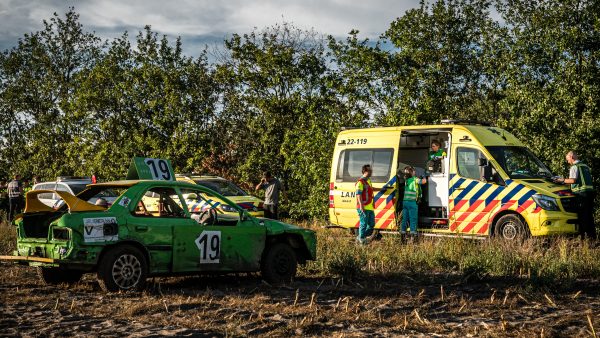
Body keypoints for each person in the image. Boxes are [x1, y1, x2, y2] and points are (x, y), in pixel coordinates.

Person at [554, 151, 596, 240]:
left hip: (581, 194)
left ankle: (584, 239)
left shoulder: (574, 167)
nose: (568, 161)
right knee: (589, 216)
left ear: (571, 157)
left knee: (582, 217)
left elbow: (573, 180)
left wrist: (561, 180)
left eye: (568, 159)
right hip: (590, 193)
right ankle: (593, 238)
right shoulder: (585, 166)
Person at [401, 166, 427, 239]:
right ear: (412, 172)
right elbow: (424, 181)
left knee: (405, 219)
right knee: (413, 219)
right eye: (414, 171)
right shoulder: (415, 179)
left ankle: (403, 235)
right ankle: (413, 236)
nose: (415, 172)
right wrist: (423, 175)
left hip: (405, 202)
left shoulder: (406, 180)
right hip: (412, 203)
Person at [356, 164, 375, 245]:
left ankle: (360, 237)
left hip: (370, 207)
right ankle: (362, 240)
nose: (371, 172)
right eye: (370, 171)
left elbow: (371, 189)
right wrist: (361, 206)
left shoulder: (368, 181)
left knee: (372, 224)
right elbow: (358, 195)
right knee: (363, 224)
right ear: (365, 171)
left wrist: (382, 189)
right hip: (363, 206)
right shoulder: (360, 182)